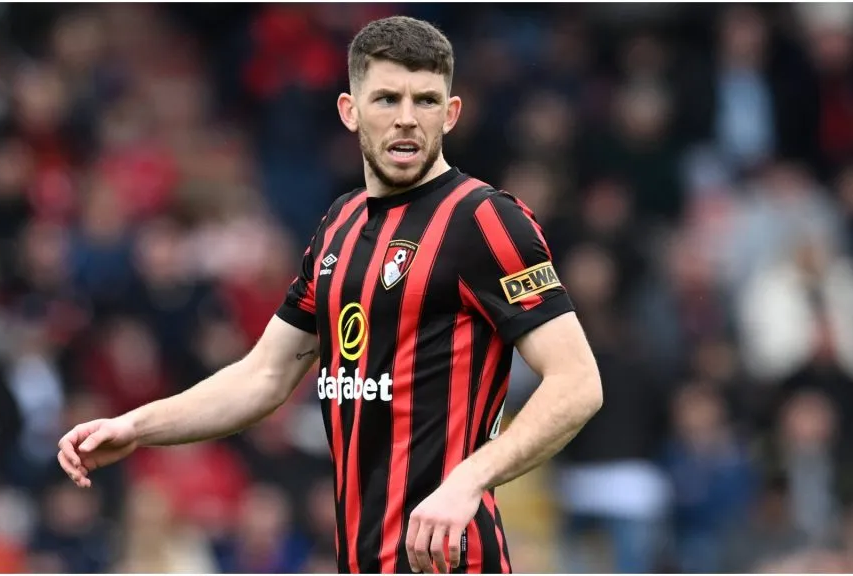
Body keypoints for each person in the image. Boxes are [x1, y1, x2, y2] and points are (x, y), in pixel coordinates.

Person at [57, 15, 603, 574]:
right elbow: (264, 376)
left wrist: (468, 478)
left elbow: (578, 382)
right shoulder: (338, 226)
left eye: (427, 100)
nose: (408, 120)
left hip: (449, 561)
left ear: (452, 112)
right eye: (387, 99)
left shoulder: (484, 221)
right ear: (349, 110)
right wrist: (135, 426)